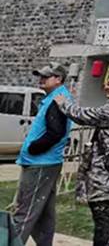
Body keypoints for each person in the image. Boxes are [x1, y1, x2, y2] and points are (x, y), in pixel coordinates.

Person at [53, 69, 109, 246]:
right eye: (108, 83)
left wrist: (63, 103)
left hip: (105, 178)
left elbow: (83, 116)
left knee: (104, 226)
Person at [12, 64, 72, 246]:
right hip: (45, 162)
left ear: (58, 79)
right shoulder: (54, 98)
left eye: (46, 76)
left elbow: (55, 133)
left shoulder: (58, 100)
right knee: (44, 214)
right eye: (41, 76)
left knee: (24, 212)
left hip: (40, 163)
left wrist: (33, 148)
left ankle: (11, 242)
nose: (41, 79)